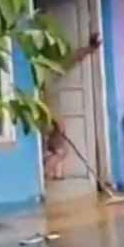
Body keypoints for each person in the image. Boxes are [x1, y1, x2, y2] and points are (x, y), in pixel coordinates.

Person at [42, 32, 103, 181]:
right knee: (60, 151)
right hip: (49, 117)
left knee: (57, 149)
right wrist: (57, 119)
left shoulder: (50, 70)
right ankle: (43, 173)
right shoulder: (47, 75)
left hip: (49, 116)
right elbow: (46, 100)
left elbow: (73, 59)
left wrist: (90, 48)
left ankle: (55, 175)